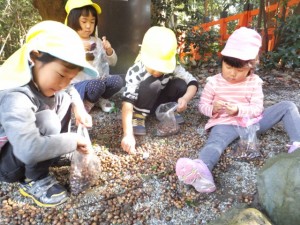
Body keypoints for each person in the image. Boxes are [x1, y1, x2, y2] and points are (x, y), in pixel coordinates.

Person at [175, 27, 300, 193]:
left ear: (251, 67)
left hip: (253, 122)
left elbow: (257, 109)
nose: (232, 74)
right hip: (225, 123)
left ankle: (297, 144)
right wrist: (213, 109)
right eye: (228, 67)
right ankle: (201, 170)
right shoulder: (214, 83)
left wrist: (238, 110)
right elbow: (202, 106)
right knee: (215, 143)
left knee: (288, 106)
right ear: (222, 62)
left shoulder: (254, 82)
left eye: (240, 70)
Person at [0, 20, 99, 207]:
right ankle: (34, 178)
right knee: (48, 119)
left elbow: (69, 90)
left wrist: (78, 106)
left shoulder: (41, 78)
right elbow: (27, 150)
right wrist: (72, 140)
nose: (64, 83)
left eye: (70, 78)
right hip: (8, 163)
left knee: (62, 97)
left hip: (27, 147)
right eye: (61, 75)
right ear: (34, 57)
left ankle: (49, 155)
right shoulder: (15, 95)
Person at [121, 26, 199, 154]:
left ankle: (165, 111)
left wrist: (185, 99)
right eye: (153, 67)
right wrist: (127, 134)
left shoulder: (173, 68)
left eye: (161, 67)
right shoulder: (136, 71)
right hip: (142, 102)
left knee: (180, 84)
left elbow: (193, 82)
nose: (157, 71)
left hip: (158, 100)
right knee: (154, 83)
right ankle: (139, 116)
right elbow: (127, 102)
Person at [65, 0, 124, 113]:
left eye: (92, 22)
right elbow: (63, 66)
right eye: (84, 21)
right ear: (72, 20)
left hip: (98, 81)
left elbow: (113, 62)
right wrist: (79, 51)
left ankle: (97, 99)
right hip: (77, 85)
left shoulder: (97, 41)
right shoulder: (68, 41)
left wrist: (109, 51)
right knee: (96, 85)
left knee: (118, 81)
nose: (88, 26)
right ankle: (86, 103)